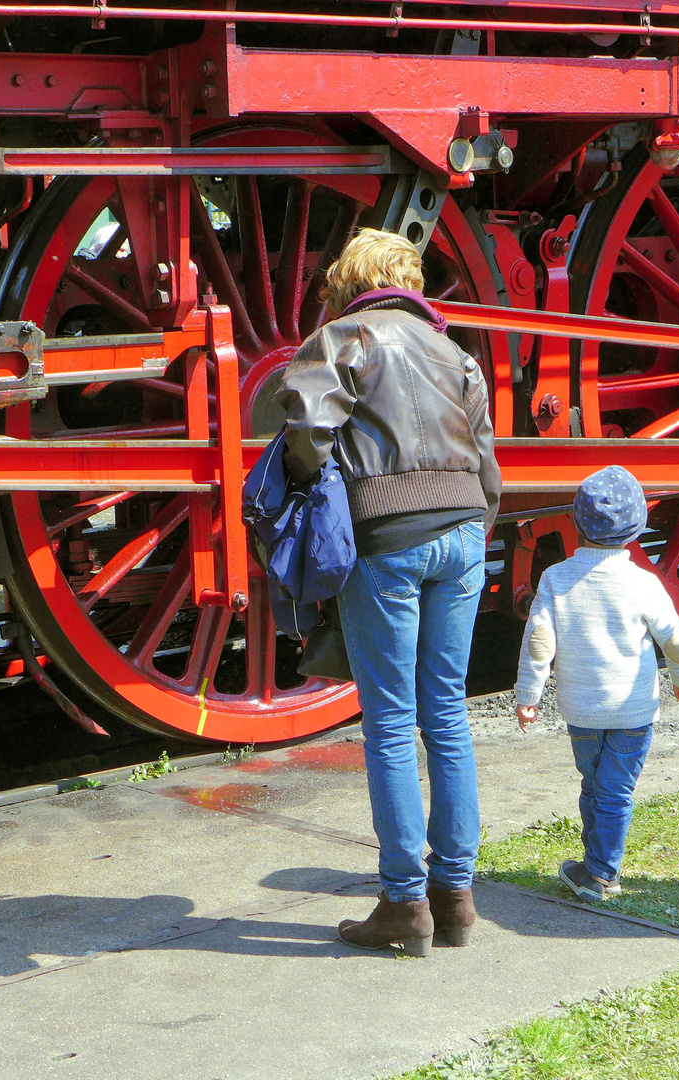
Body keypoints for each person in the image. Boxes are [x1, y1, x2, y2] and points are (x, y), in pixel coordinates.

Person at [277, 228, 501, 955]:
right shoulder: (453, 349)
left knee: (390, 722)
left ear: (351, 280)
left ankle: (405, 905)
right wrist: (472, 529)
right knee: (446, 714)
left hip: (388, 539)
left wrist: (313, 482)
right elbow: (488, 463)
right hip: (464, 531)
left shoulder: (341, 338)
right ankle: (457, 897)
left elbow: (308, 425)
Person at [513, 466, 679, 903]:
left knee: (593, 784)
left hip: (582, 709)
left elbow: (539, 641)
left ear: (576, 522)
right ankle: (600, 871)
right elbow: (672, 637)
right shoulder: (643, 583)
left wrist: (528, 695)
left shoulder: (557, 579)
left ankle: (594, 867)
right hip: (633, 710)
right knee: (615, 790)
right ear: (638, 527)